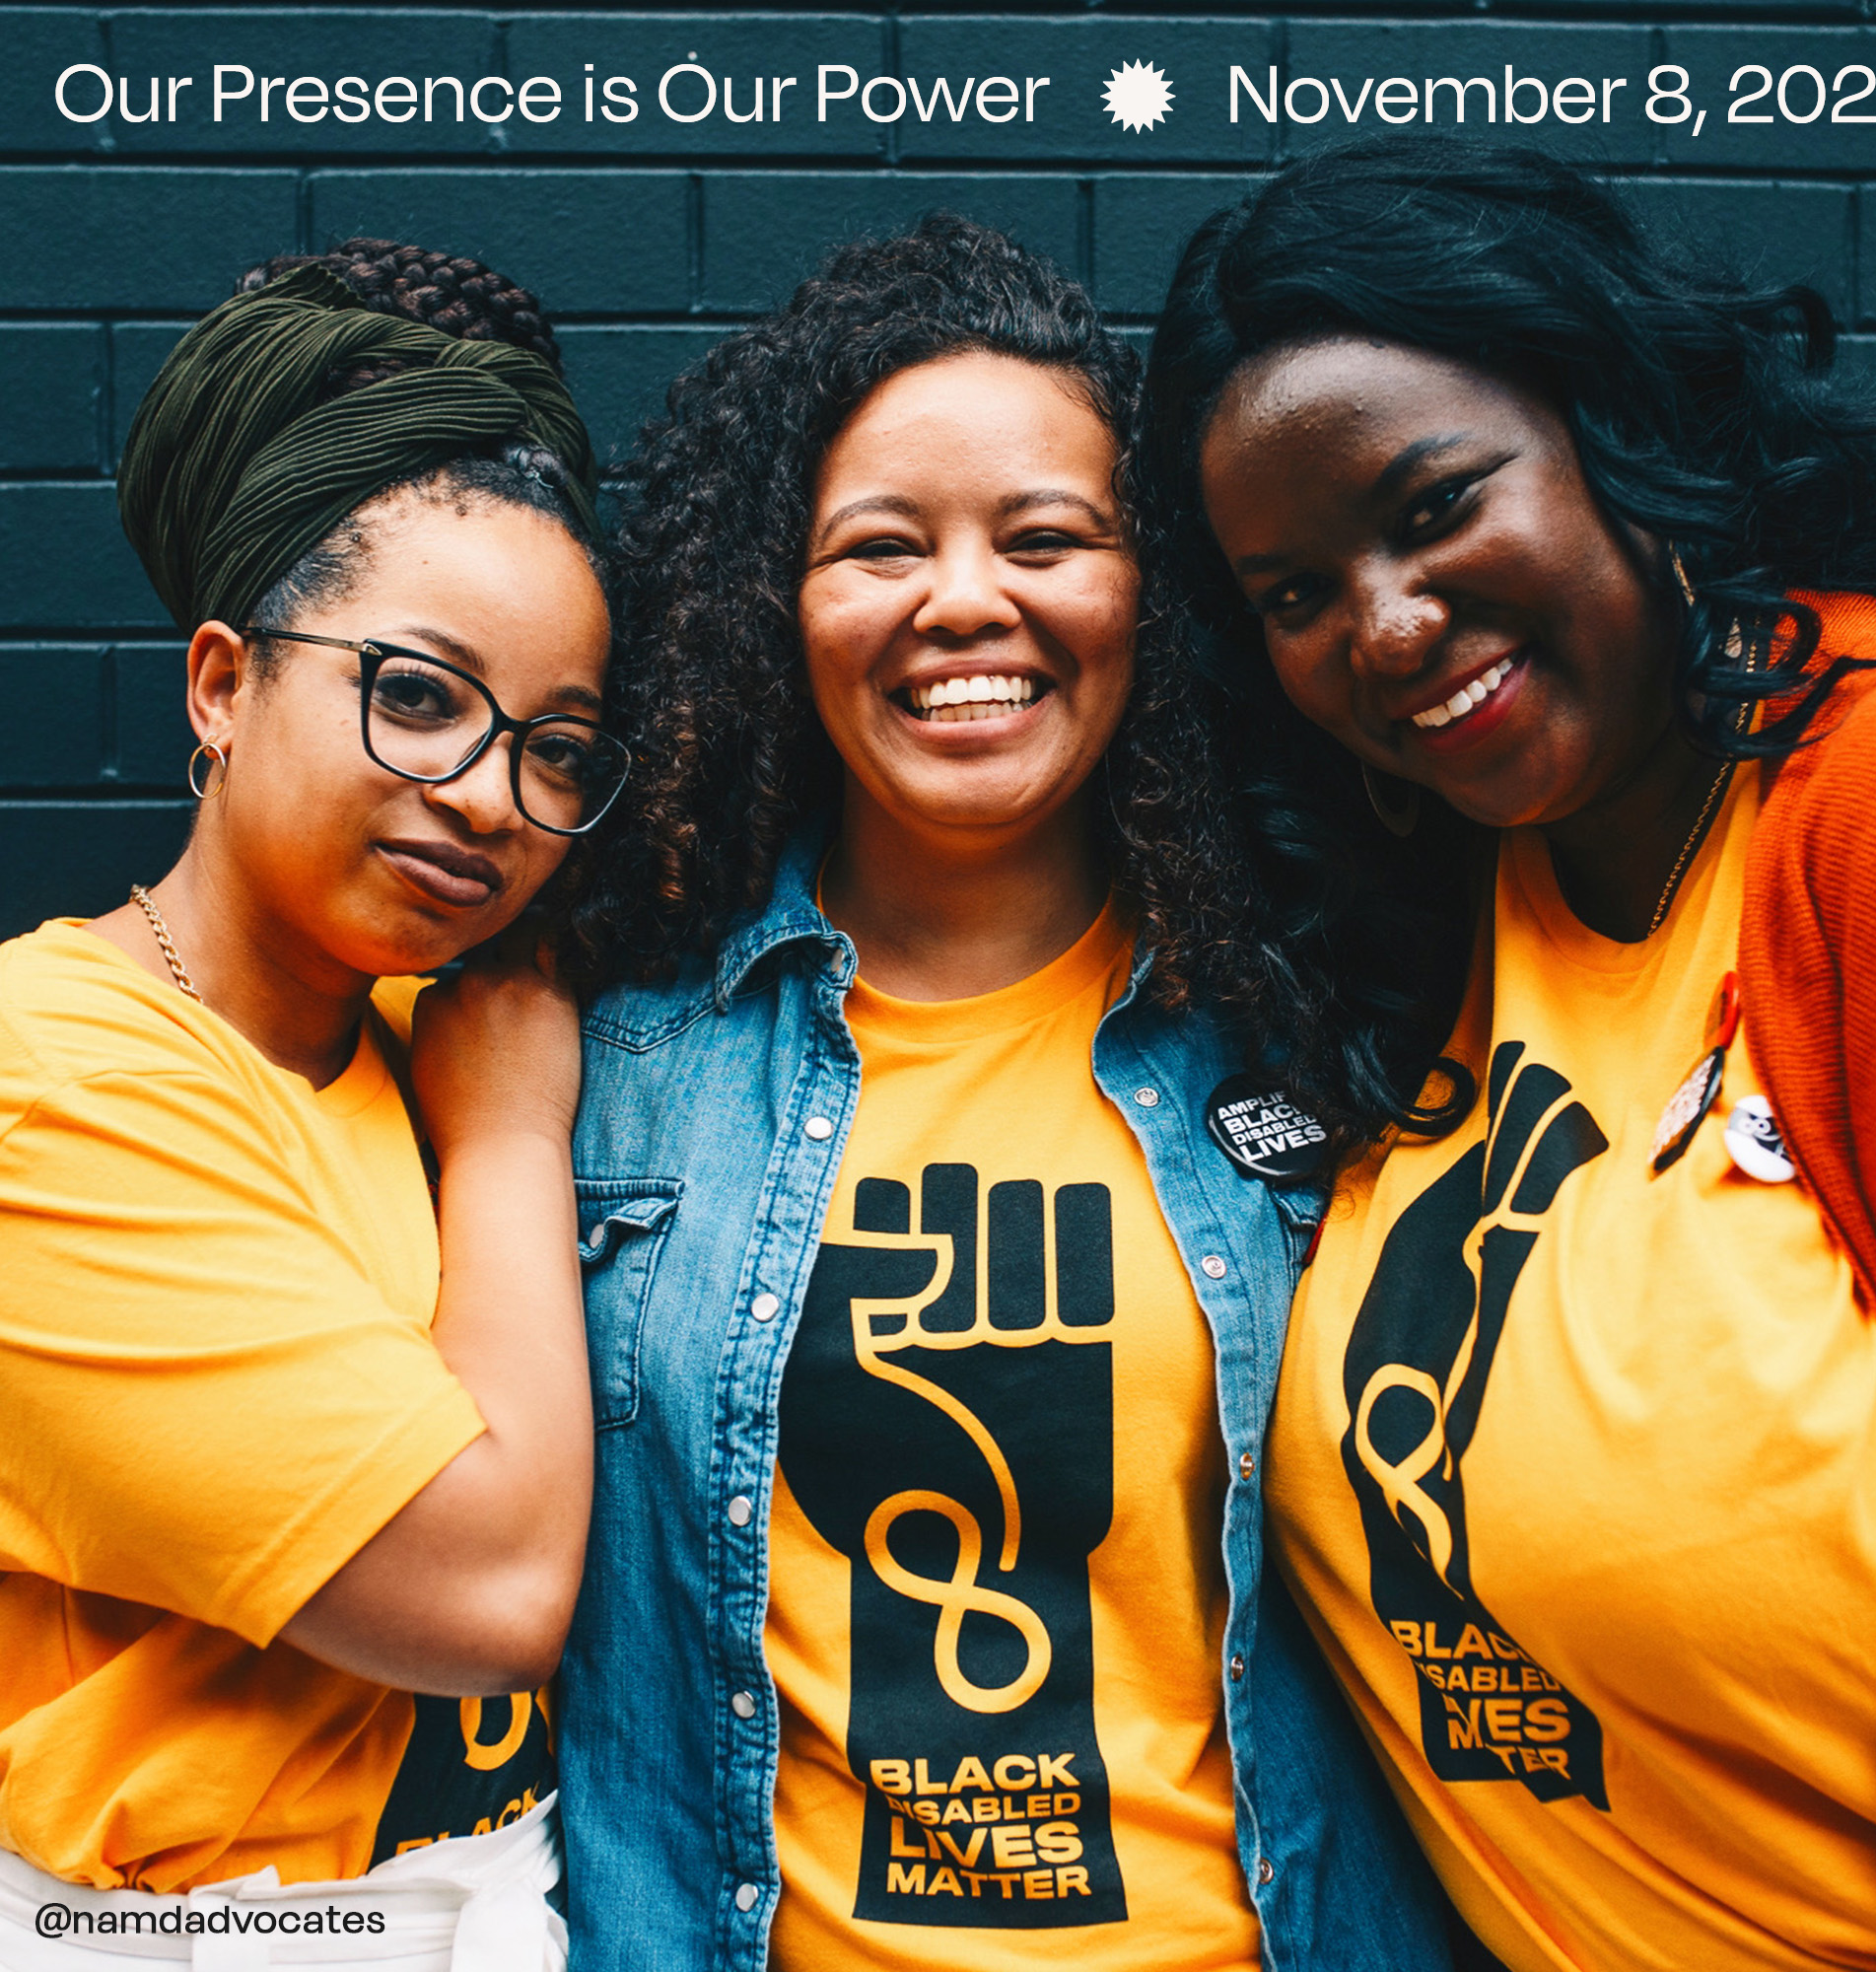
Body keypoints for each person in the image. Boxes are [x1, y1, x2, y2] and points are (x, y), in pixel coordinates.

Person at [555, 214, 1451, 1971]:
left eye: (1046, 537)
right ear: (775, 602)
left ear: (1152, 594)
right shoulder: (599, 1057)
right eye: (880, 547)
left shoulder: (1323, 1024)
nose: (966, 601)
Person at [1145, 135, 1876, 1972]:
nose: (1386, 623)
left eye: (1436, 504)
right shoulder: (1423, 923)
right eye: (1295, 595)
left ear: (1615, 420)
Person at [0, 243, 625, 1967]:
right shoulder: (51, 1082)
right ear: (221, 684)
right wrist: (505, 1133)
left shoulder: (414, 1028)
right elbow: (488, 1594)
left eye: (558, 746)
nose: (491, 798)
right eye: (416, 698)